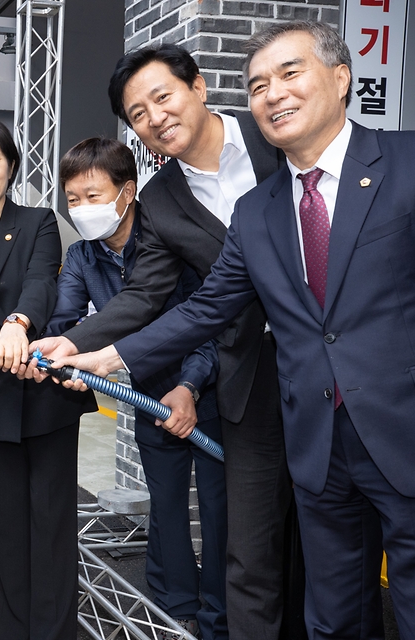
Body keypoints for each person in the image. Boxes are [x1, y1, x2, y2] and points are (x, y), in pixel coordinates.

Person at [54, 21, 415, 639]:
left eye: (289, 75)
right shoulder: (195, 203)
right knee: (266, 552)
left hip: (385, 403)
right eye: (137, 114)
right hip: (256, 382)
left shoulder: (343, 150)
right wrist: (96, 350)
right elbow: (174, 298)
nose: (274, 95)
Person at [29, 43, 298, 640]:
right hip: (244, 382)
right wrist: (72, 347)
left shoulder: (274, 136)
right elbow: (154, 298)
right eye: (138, 113)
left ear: (197, 86)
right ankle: (205, 614)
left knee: (327, 528)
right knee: (245, 542)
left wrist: (184, 381)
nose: (154, 116)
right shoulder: (161, 202)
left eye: (162, 96)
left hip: (306, 366)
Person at [49, 137, 226, 640]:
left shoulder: (171, 240)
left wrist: (191, 384)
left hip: (209, 390)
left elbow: (209, 320)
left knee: (219, 512)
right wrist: (44, 345)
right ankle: (175, 607)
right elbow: (66, 321)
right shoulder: (83, 257)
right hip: (147, 397)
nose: (82, 209)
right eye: (73, 200)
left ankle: (220, 617)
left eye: (92, 195)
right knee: (165, 504)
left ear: (127, 192)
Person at [0, 119, 96, 640]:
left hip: (47, 392)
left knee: (51, 528)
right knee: (7, 528)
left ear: (9, 164)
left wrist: (15, 323)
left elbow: (40, 284)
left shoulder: (37, 222)